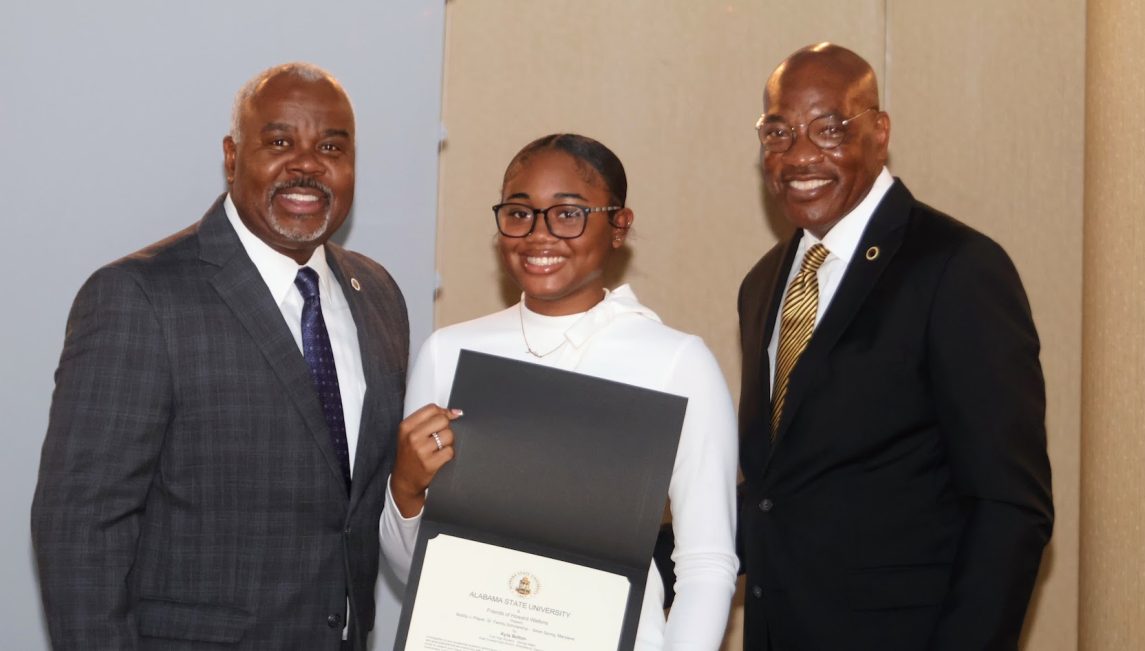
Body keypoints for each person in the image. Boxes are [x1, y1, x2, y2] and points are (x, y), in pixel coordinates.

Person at [31, 63, 409, 650]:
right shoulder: (139, 297)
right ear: (232, 157)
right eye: (280, 142)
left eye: (331, 146)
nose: (307, 164)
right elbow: (81, 529)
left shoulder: (378, 295)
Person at [736, 43, 1054, 650]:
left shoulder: (957, 269)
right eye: (778, 133)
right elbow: (783, 492)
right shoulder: (763, 284)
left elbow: (1009, 510)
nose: (800, 155)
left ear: (878, 133)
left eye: (829, 129)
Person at [379, 134, 740, 649]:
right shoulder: (449, 353)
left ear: (619, 226)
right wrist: (407, 491)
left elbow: (707, 563)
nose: (538, 235)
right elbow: (414, 571)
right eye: (519, 213)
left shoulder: (678, 364)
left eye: (568, 214)